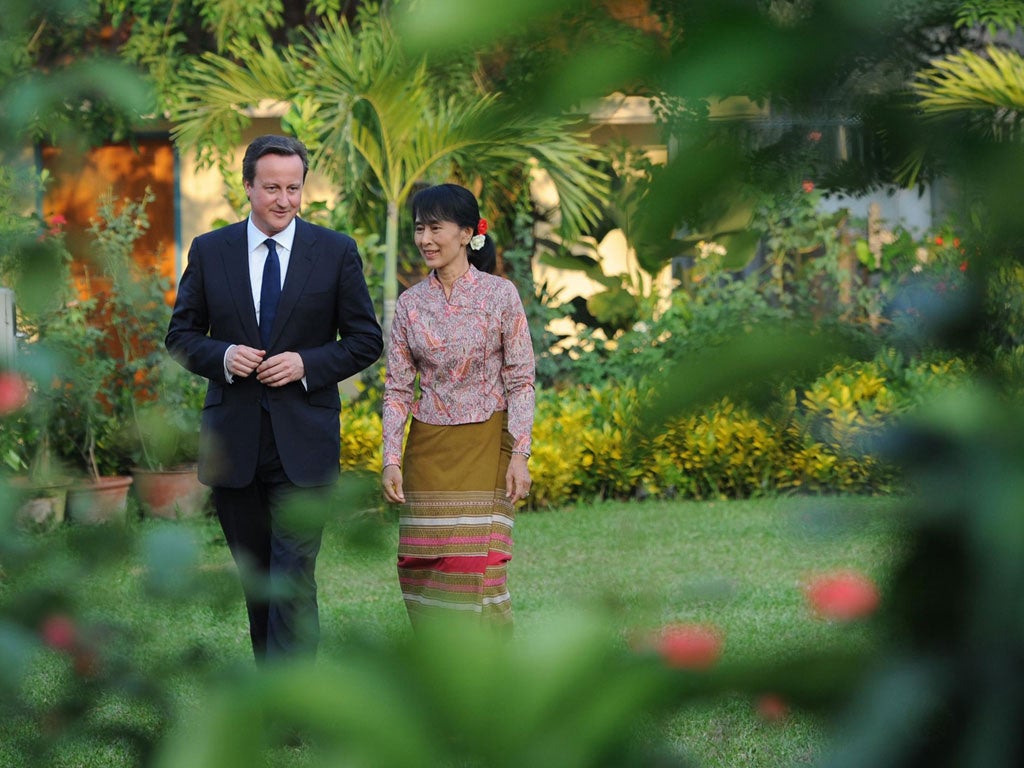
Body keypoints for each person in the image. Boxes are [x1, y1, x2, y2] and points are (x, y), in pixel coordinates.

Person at [166, 134, 383, 661]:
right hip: (234, 445)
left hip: (304, 445)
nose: (284, 199)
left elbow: (365, 340)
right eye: (271, 188)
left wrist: (308, 363)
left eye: (293, 188)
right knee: (258, 577)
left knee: (293, 574)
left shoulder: (334, 252)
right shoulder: (210, 250)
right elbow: (181, 337)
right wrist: (222, 356)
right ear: (247, 187)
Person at [381, 183, 535, 634]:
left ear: (466, 233)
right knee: (419, 568)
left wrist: (521, 453)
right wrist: (391, 458)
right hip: (428, 448)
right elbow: (397, 389)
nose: (425, 239)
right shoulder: (410, 305)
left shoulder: (500, 296)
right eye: (419, 229)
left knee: (478, 569)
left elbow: (521, 380)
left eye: (435, 228)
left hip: (489, 443)